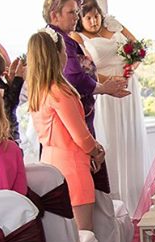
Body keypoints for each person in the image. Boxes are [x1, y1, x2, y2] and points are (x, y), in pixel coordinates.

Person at [42, 0, 129, 195]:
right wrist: (103, 88)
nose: (76, 17)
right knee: (88, 186)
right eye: (71, 12)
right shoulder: (60, 41)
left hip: (79, 113)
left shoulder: (61, 38)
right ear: (55, 15)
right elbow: (74, 76)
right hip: (74, 118)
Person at [70, 0, 149, 214]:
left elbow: (139, 48)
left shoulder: (114, 25)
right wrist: (111, 82)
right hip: (105, 91)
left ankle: (136, 200)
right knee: (111, 140)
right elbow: (85, 71)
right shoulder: (77, 37)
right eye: (88, 18)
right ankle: (116, 201)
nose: (93, 21)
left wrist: (131, 69)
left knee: (130, 137)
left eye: (96, 16)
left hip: (128, 86)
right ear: (80, 20)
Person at [27, 29, 105, 231]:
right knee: (84, 236)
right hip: (72, 167)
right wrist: (97, 151)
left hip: (49, 163)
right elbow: (81, 136)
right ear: (56, 55)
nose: (66, 55)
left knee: (62, 238)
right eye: (64, 51)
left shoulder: (38, 90)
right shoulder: (59, 91)